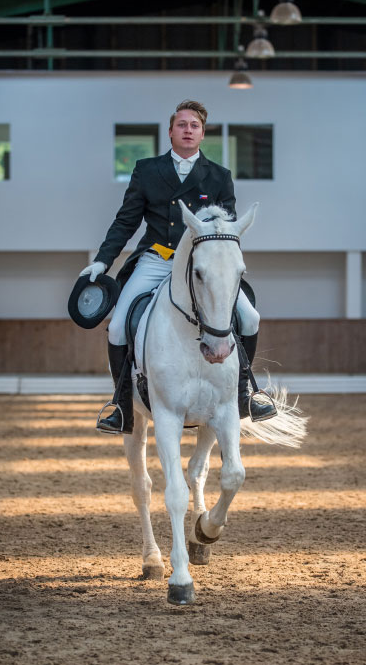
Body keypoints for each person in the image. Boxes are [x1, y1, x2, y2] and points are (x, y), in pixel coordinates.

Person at [80, 99, 277, 434]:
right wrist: (102, 260)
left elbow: (227, 231)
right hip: (157, 260)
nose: (188, 130)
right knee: (116, 327)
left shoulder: (219, 176)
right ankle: (122, 404)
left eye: (194, 126)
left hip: (201, 264)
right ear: (171, 131)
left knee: (250, 317)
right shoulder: (146, 170)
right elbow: (126, 222)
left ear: (202, 134)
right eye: (182, 125)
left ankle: (246, 393)